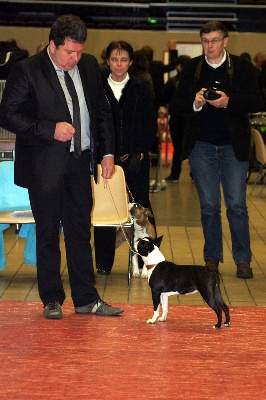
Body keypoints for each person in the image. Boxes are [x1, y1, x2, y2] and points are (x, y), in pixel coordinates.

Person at [0, 14, 124, 319]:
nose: (75, 58)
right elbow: (8, 115)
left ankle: (86, 299)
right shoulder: (27, 70)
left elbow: (101, 111)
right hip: (43, 164)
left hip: (80, 162)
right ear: (53, 45)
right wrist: (48, 128)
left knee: (80, 233)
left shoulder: (90, 65)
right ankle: (52, 299)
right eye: (70, 52)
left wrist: (107, 153)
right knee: (47, 234)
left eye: (79, 52)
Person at [174, 21, 264, 279]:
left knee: (236, 205)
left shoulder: (243, 67)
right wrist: (196, 101)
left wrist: (228, 102)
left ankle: (243, 260)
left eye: (214, 40)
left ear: (225, 42)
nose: (209, 46)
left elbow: (257, 100)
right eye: (205, 41)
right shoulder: (192, 68)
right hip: (201, 146)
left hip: (232, 146)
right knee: (209, 206)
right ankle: (212, 257)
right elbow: (177, 104)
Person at [93, 40, 157, 275]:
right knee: (104, 212)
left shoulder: (141, 89)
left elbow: (150, 126)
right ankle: (103, 263)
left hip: (136, 161)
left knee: (143, 210)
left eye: (123, 59)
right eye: (114, 59)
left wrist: (140, 152)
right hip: (105, 161)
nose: (118, 64)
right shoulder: (97, 88)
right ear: (107, 61)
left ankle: (146, 262)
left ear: (130, 62)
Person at [161, 55, 191, 182]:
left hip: (176, 119)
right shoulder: (195, 82)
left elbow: (163, 99)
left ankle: (175, 174)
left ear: (178, 66)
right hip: (192, 118)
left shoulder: (172, 81)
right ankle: (195, 175)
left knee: (178, 147)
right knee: (192, 147)